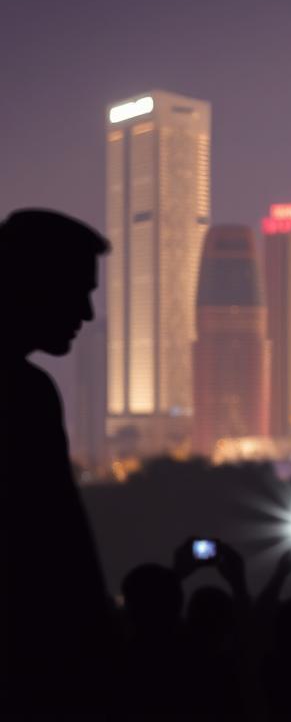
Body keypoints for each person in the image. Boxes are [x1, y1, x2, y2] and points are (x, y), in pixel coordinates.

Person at [0, 209, 113, 719]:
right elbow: (58, 535)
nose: (88, 314)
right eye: (79, 290)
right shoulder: (23, 393)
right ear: (34, 283)